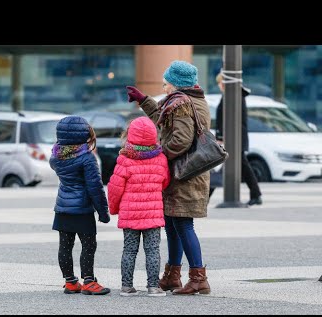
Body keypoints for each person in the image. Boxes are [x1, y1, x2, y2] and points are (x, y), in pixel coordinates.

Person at [125, 60, 211, 295]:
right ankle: (172, 276)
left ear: (176, 84)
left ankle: (198, 278)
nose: (164, 88)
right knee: (173, 225)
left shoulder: (182, 103)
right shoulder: (185, 101)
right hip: (182, 173)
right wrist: (144, 100)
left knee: (183, 224)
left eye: (166, 84)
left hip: (184, 174)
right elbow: (163, 119)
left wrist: (160, 157)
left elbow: (181, 139)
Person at [108, 116, 171, 297]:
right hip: (152, 214)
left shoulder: (125, 159)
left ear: (129, 135)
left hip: (130, 214)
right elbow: (165, 182)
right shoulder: (160, 158)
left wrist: (114, 208)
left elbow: (114, 188)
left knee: (129, 250)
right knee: (152, 251)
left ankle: (126, 286)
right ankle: (153, 286)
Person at [50, 115, 111, 295]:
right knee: (88, 245)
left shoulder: (56, 155)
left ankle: (70, 282)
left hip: (62, 207)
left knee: (65, 245)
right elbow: (95, 187)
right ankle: (89, 281)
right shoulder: (87, 158)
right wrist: (103, 211)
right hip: (82, 208)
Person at [214, 71, 263, 206]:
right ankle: (256, 194)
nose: (218, 85)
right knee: (240, 166)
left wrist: (220, 136)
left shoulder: (233, 95)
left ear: (224, 83)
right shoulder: (234, 95)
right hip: (235, 137)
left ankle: (256, 194)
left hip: (234, 138)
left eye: (219, 82)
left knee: (219, 165)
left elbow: (226, 118)